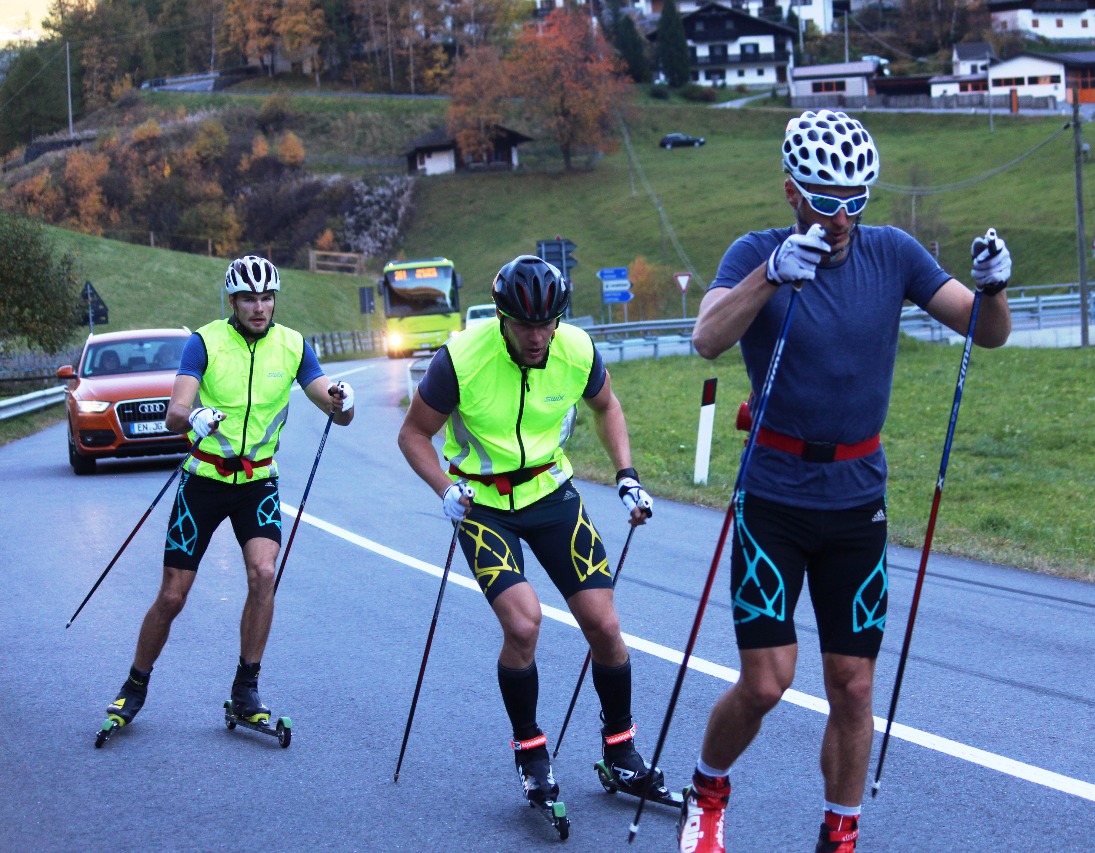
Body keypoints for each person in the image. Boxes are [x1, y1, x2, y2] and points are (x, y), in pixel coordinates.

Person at [677, 110, 1012, 853]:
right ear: (792, 192)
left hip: (856, 498)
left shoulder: (891, 253)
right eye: (826, 200)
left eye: (856, 200)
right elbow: (705, 337)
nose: (841, 219)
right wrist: (770, 277)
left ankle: (840, 832)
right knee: (767, 682)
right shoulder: (755, 251)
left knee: (853, 685)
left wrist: (993, 287)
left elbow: (985, 331)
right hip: (773, 497)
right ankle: (707, 789)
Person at [397, 255, 677, 817]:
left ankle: (620, 751)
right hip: (481, 502)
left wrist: (627, 476)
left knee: (604, 622)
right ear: (502, 319)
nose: (538, 336)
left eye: (548, 323)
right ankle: (530, 749)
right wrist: (444, 491)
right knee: (524, 623)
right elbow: (413, 436)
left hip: (551, 492)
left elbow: (608, 406)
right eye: (525, 325)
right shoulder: (460, 360)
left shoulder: (575, 348)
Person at [102, 254, 355, 733]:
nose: (258, 307)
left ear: (275, 299)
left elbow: (334, 408)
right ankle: (134, 685)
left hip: (258, 480)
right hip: (204, 479)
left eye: (266, 297)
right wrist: (193, 418)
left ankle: (246, 689)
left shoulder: (294, 346)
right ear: (233, 301)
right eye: (248, 298)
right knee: (174, 595)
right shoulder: (205, 342)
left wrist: (345, 402)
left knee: (263, 574)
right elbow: (177, 411)